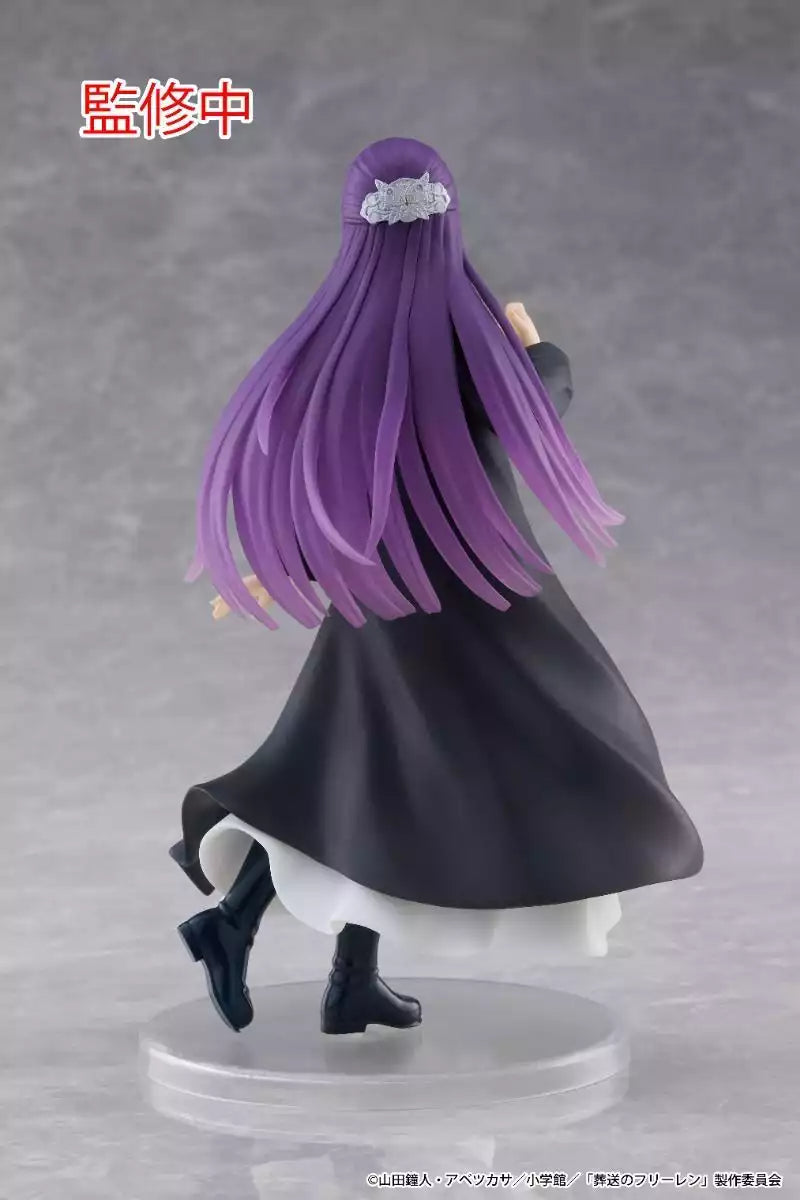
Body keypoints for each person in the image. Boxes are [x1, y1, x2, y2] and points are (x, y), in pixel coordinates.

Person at [170, 138, 704, 1035]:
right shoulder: (465, 338)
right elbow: (527, 415)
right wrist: (543, 352)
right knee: (553, 731)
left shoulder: (340, 351)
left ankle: (323, 967)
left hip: (389, 604)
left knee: (367, 780)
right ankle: (247, 931)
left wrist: (287, 558)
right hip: (467, 600)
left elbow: (332, 481)